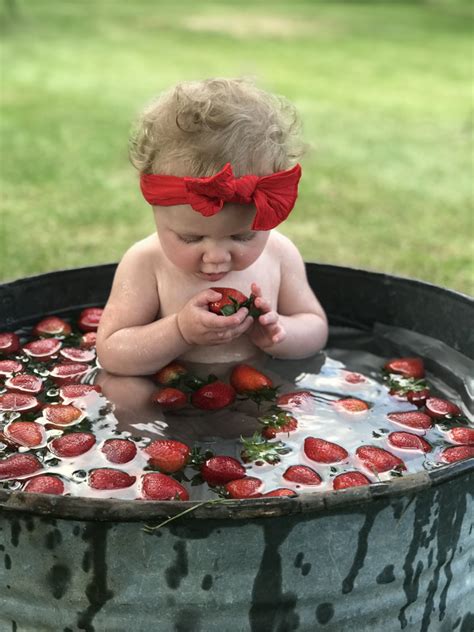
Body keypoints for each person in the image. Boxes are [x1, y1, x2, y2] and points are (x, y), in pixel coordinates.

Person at [96, 78, 328, 376]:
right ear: (157, 212)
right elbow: (112, 352)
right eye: (191, 238)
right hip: (166, 386)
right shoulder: (146, 262)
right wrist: (179, 331)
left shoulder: (280, 253)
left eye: (243, 236)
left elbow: (315, 327)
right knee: (125, 392)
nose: (216, 256)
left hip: (259, 382)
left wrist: (279, 334)